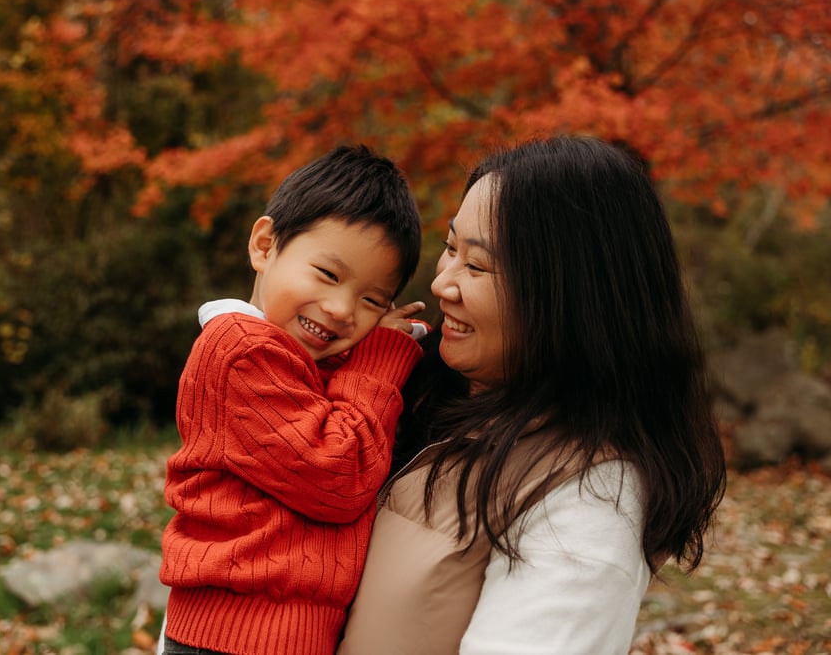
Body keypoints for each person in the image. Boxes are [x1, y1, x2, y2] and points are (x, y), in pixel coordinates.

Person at [337, 135, 727, 654]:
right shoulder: (433, 401)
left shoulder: (590, 501)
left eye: (477, 266)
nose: (442, 284)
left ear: (569, 297)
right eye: (451, 248)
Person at [158, 144, 428, 655]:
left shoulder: (296, 360)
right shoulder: (240, 351)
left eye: (373, 300)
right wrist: (379, 359)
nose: (341, 308)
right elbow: (339, 472)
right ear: (264, 245)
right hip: (238, 636)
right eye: (328, 274)